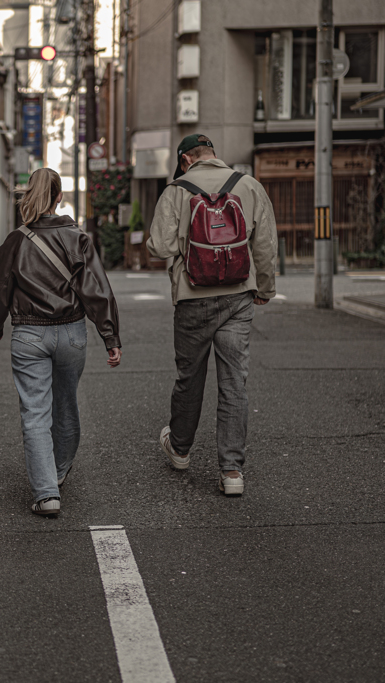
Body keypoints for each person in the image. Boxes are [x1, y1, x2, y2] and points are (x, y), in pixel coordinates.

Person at [0, 168, 122, 517]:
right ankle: (55, 473)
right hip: (71, 332)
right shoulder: (77, 238)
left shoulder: (16, 240)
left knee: (35, 413)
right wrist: (110, 335)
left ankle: (46, 494)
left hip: (28, 334)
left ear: (31, 196)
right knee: (66, 405)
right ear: (59, 197)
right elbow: (97, 290)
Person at [147, 134, 278, 496]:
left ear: (186, 160)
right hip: (238, 297)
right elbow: (265, 244)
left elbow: (159, 245)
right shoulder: (248, 185)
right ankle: (232, 471)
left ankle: (181, 449)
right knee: (234, 382)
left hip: (193, 297)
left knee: (190, 378)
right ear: (213, 155)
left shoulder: (178, 189)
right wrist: (264, 288)